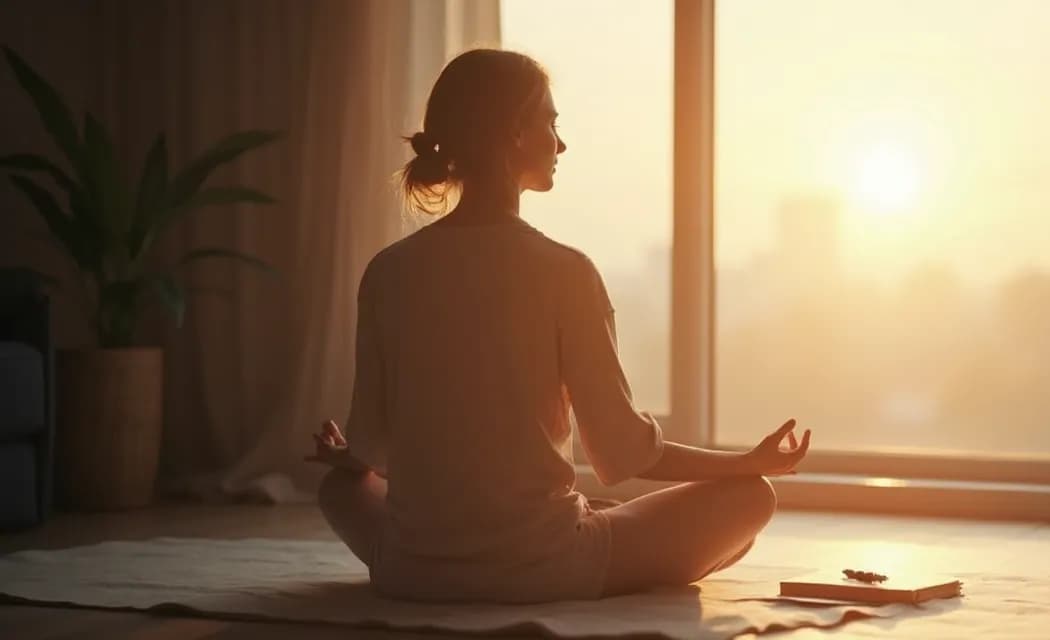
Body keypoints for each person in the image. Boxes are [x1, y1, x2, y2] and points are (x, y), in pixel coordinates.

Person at [304, 49, 811, 604]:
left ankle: (593, 525)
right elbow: (624, 453)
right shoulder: (566, 272)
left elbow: (370, 448)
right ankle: (607, 530)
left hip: (412, 569)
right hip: (545, 568)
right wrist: (745, 463)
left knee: (340, 488)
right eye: (550, 122)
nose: (561, 143)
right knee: (751, 499)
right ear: (515, 134)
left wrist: (348, 458)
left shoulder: (387, 272)